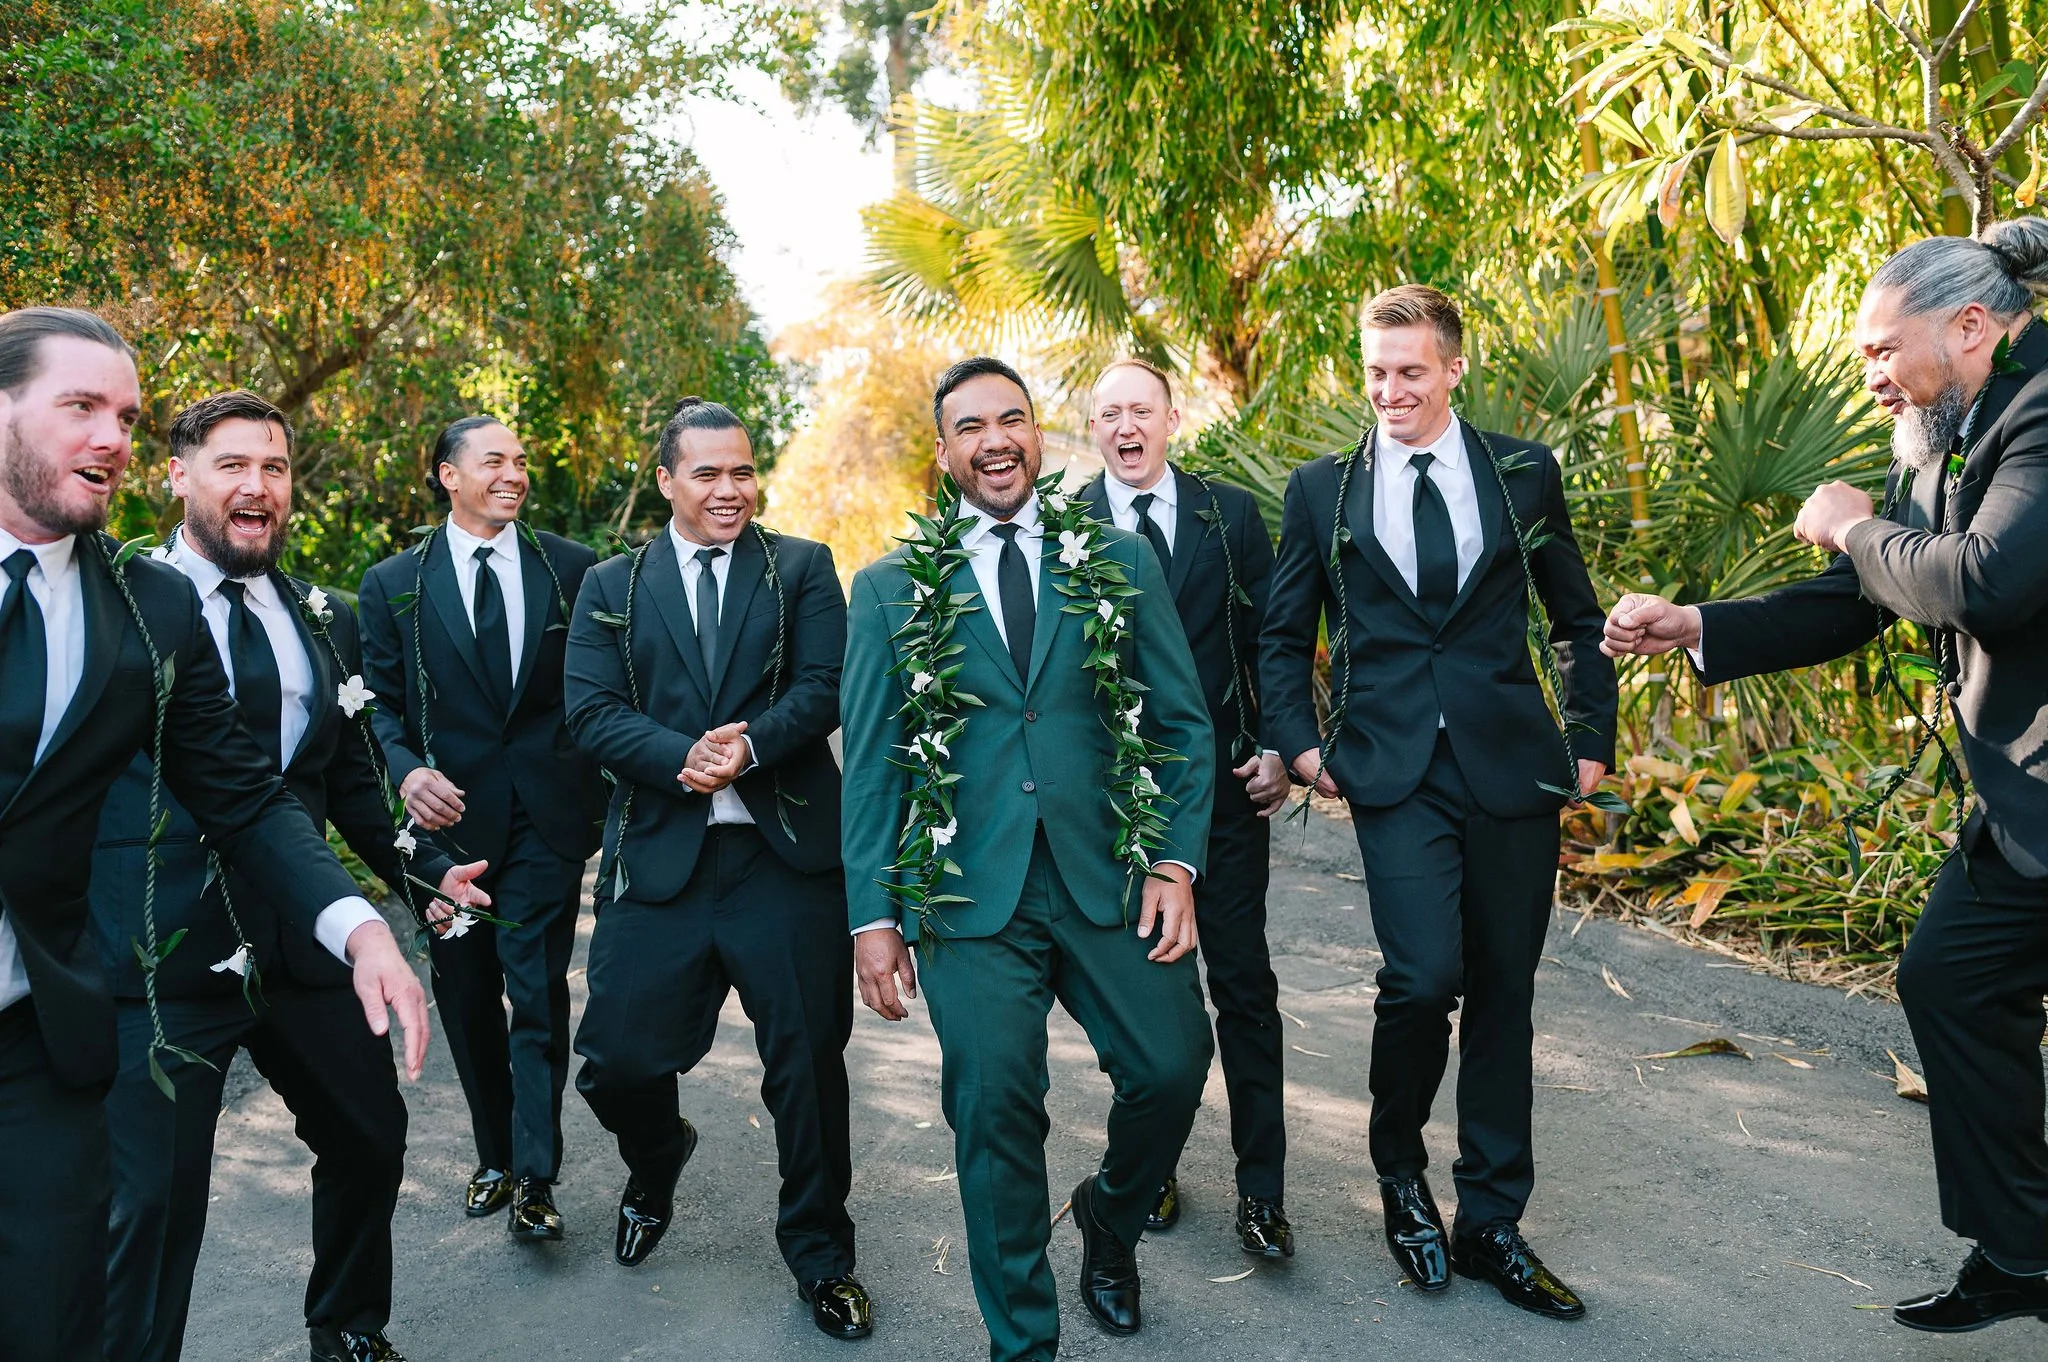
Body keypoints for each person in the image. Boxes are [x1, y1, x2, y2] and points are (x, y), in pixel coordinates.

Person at [1602, 220, 2048, 1335]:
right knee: (1949, 982)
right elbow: (1866, 597)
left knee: (1956, 982)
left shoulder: (2043, 410)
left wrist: (1852, 528)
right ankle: (2023, 1254)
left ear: (1969, 326)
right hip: (2023, 807)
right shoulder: (1942, 431)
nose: (1871, 375)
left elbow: (1983, 583)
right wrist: (1698, 623)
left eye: (1882, 350)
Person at [0, 310, 428, 1362]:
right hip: (145, 959)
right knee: (140, 1223)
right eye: (81, 406)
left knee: (64, 1300)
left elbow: (245, 791)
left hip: (46, 1024)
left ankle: (347, 1326)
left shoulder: (144, 606)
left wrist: (361, 922)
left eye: (124, 415)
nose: (109, 436)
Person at [89, 391, 490, 1362]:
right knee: (152, 1203)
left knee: (369, 1135)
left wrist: (426, 878)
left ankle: (347, 1327)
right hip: (165, 956)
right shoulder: (120, 607)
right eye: (231, 464)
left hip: (306, 940)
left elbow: (348, 788)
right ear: (177, 476)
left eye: (273, 467)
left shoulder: (326, 618)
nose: (257, 485)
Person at [843, 356, 1216, 1362]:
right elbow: (872, 764)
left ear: (1038, 435)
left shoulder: (1118, 558)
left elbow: (1183, 724)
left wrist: (1174, 864)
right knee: (994, 1113)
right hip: (967, 897)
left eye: (1011, 419)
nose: (995, 440)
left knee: (1173, 1066)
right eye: (970, 427)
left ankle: (1109, 1215)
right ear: (943, 453)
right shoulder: (886, 589)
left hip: (1109, 875)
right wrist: (872, 919)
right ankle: (1023, 1346)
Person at [1262, 285, 1616, 1320]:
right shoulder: (1320, 490)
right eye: (1375, 373)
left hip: (1510, 765)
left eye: (1410, 371)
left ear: (1453, 368)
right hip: (1390, 769)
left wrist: (1588, 739)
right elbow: (1282, 637)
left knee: (1504, 991)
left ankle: (1491, 1223)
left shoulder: (1522, 472)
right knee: (1421, 980)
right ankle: (1399, 1174)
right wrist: (1302, 745)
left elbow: (1575, 616)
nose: (1389, 391)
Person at [563, 397, 870, 1340]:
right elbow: (590, 711)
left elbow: (827, 685)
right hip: (662, 858)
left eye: (742, 471)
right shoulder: (612, 583)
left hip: (785, 860)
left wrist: (750, 748)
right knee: (613, 1064)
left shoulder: (802, 567)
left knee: (807, 1068)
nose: (730, 489)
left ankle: (822, 1257)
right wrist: (681, 757)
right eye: (707, 474)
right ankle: (658, 1156)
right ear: (666, 481)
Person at [357, 416, 603, 1241]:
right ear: (447, 475)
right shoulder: (392, 582)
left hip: (543, 820)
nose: (514, 474)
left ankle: (535, 1177)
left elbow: (596, 689)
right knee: (466, 1000)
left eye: (521, 461)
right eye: (494, 460)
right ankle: (493, 1155)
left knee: (536, 995)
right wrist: (405, 771)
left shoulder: (573, 568)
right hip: (446, 828)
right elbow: (379, 705)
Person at [1079, 358, 1294, 1257]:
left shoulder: (1228, 513)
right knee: (1149, 1001)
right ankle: (1153, 1167)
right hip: (1117, 810)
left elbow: (1272, 638)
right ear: (1092, 428)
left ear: (1172, 420)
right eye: (1109, 414)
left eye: (1142, 411)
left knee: (1243, 988)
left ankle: (1262, 1191)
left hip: (1226, 793)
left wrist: (1278, 746)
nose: (1126, 427)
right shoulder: (1064, 523)